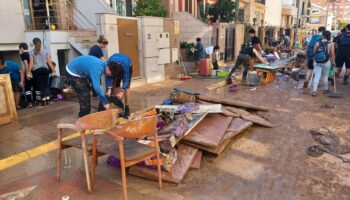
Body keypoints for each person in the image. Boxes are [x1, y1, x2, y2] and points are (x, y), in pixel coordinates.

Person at [29, 38, 55, 106]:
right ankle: (47, 99)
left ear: (34, 43)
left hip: (37, 71)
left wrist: (29, 71)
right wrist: (53, 69)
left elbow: (31, 63)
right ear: (40, 43)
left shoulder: (31, 52)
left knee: (40, 86)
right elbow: (49, 62)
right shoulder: (46, 51)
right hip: (45, 70)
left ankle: (43, 100)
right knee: (45, 85)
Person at [310, 30, 335, 96]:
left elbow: (314, 52)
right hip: (326, 61)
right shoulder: (331, 43)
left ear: (323, 35)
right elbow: (332, 54)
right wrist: (332, 62)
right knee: (325, 76)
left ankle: (314, 91)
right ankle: (325, 89)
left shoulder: (317, 43)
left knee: (316, 76)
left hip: (317, 61)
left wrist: (314, 60)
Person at [19, 43, 36, 107]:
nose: (20, 50)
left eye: (20, 49)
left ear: (22, 48)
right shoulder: (31, 53)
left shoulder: (23, 54)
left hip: (28, 71)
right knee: (34, 86)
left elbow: (26, 63)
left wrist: (27, 73)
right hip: (34, 71)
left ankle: (30, 103)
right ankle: (35, 101)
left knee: (27, 88)